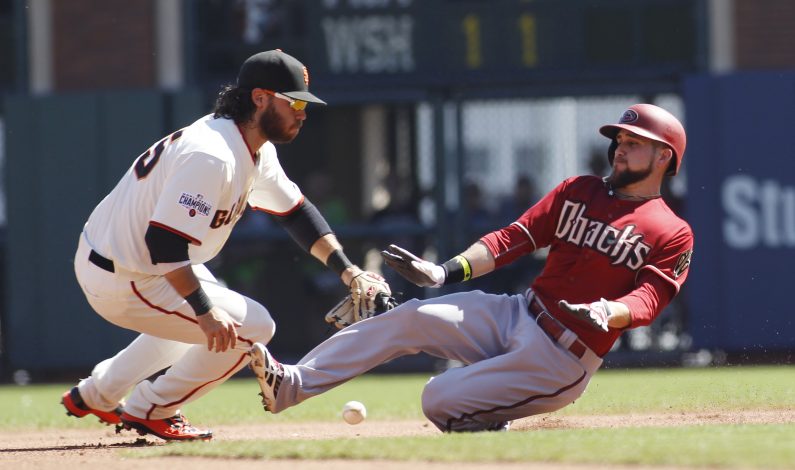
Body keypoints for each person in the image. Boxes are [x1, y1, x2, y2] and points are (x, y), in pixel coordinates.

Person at [248, 103, 694, 432]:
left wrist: (608, 311)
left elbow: (649, 299)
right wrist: (443, 273)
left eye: (635, 143)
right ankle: (292, 384)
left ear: (664, 158)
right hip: (519, 312)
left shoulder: (671, 231)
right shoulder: (580, 189)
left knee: (436, 399)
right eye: (620, 139)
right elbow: (512, 239)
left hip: (563, 356)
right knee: (410, 317)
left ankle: (490, 415)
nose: (620, 148)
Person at [61, 50, 392, 441]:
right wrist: (205, 311)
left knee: (186, 327)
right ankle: (153, 409)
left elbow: (295, 213)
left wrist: (347, 270)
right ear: (260, 98)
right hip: (128, 273)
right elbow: (163, 244)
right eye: (296, 102)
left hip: (134, 259)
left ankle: (98, 393)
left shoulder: (251, 146)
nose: (303, 112)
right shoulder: (213, 155)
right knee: (248, 327)